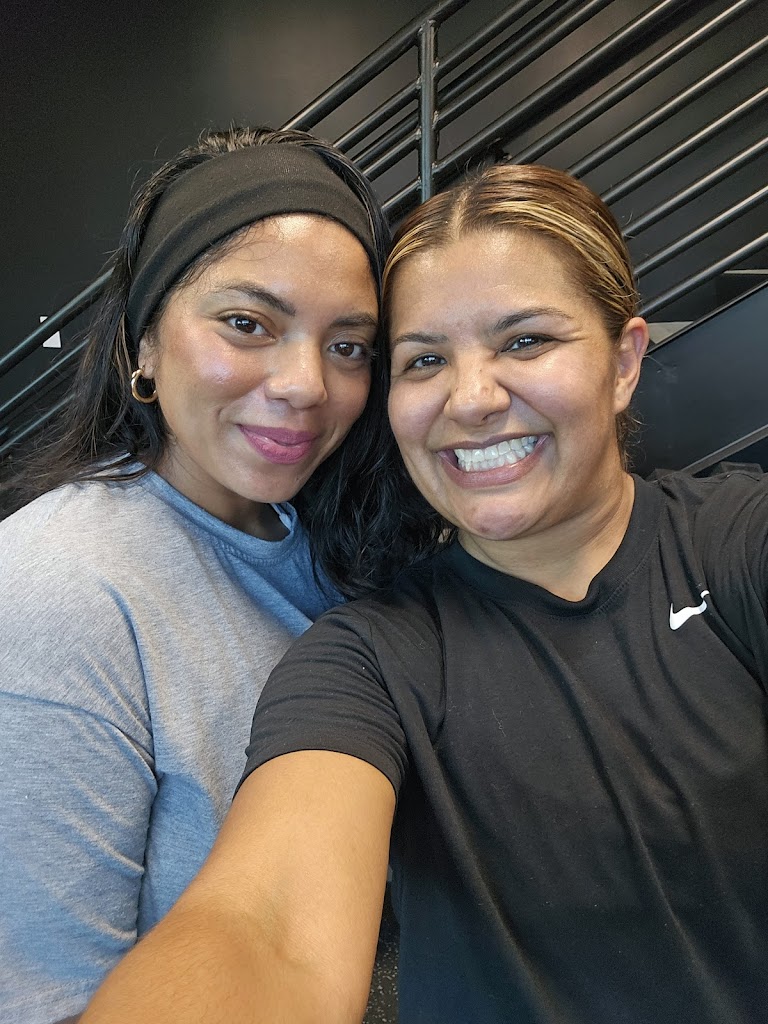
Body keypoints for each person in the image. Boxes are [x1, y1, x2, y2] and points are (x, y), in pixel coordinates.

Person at [81, 164, 767, 1024]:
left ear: (624, 361)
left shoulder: (739, 542)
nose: (471, 399)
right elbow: (270, 933)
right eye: (425, 360)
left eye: (525, 342)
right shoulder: (368, 656)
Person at [0, 125, 396, 1024]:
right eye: (248, 324)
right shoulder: (54, 594)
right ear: (143, 343)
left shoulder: (333, 542)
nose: (306, 385)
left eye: (348, 345)